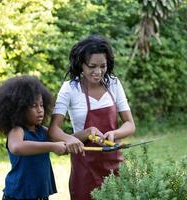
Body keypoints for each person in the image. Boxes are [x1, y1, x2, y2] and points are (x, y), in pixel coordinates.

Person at [48, 35, 136, 200]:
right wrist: (75, 136)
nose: (98, 72)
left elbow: (130, 124)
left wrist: (114, 134)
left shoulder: (114, 84)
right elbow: (53, 130)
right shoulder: (70, 88)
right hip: (84, 166)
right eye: (92, 66)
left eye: (103, 66)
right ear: (81, 64)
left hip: (114, 162)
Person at [0, 75, 79, 200]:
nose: (40, 110)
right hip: (19, 195)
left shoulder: (42, 131)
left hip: (40, 195)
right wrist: (52, 146)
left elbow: (67, 139)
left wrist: (89, 132)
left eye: (41, 105)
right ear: (18, 109)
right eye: (33, 106)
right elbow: (17, 147)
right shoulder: (17, 131)